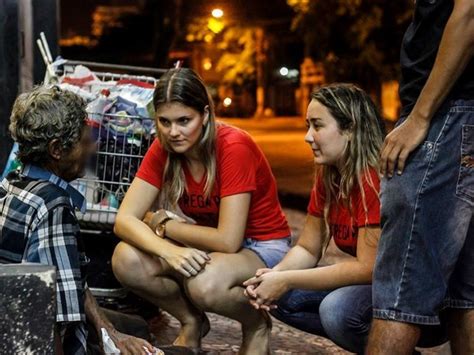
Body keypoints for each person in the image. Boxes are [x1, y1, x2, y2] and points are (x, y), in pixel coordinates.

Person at [111, 68, 291, 354]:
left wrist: (164, 225)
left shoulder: (233, 146)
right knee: (126, 258)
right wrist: (169, 250)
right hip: (209, 241)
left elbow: (229, 240)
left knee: (204, 284)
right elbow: (124, 219)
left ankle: (256, 324)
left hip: (262, 245)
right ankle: (191, 321)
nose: (174, 132)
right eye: (165, 121)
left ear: (205, 115)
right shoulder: (163, 147)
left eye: (184, 120)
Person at [0, 86, 154, 355]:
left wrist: (110, 332)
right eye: (85, 139)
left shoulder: (12, 183)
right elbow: (55, 321)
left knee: (135, 327)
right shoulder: (53, 206)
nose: (92, 146)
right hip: (26, 335)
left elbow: (72, 281)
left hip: (13, 320)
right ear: (57, 149)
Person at [243, 83, 385, 353]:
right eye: (308, 125)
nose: (308, 136)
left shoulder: (371, 177)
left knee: (336, 310)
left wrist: (289, 279)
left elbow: (368, 268)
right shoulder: (330, 174)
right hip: (373, 284)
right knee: (282, 298)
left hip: (408, 293)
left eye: (317, 126)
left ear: (351, 129)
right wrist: (275, 275)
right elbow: (308, 247)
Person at [367, 0, 474, 353]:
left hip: (448, 116)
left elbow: (470, 12)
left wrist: (420, 116)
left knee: (400, 294)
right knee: (466, 296)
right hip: (460, 117)